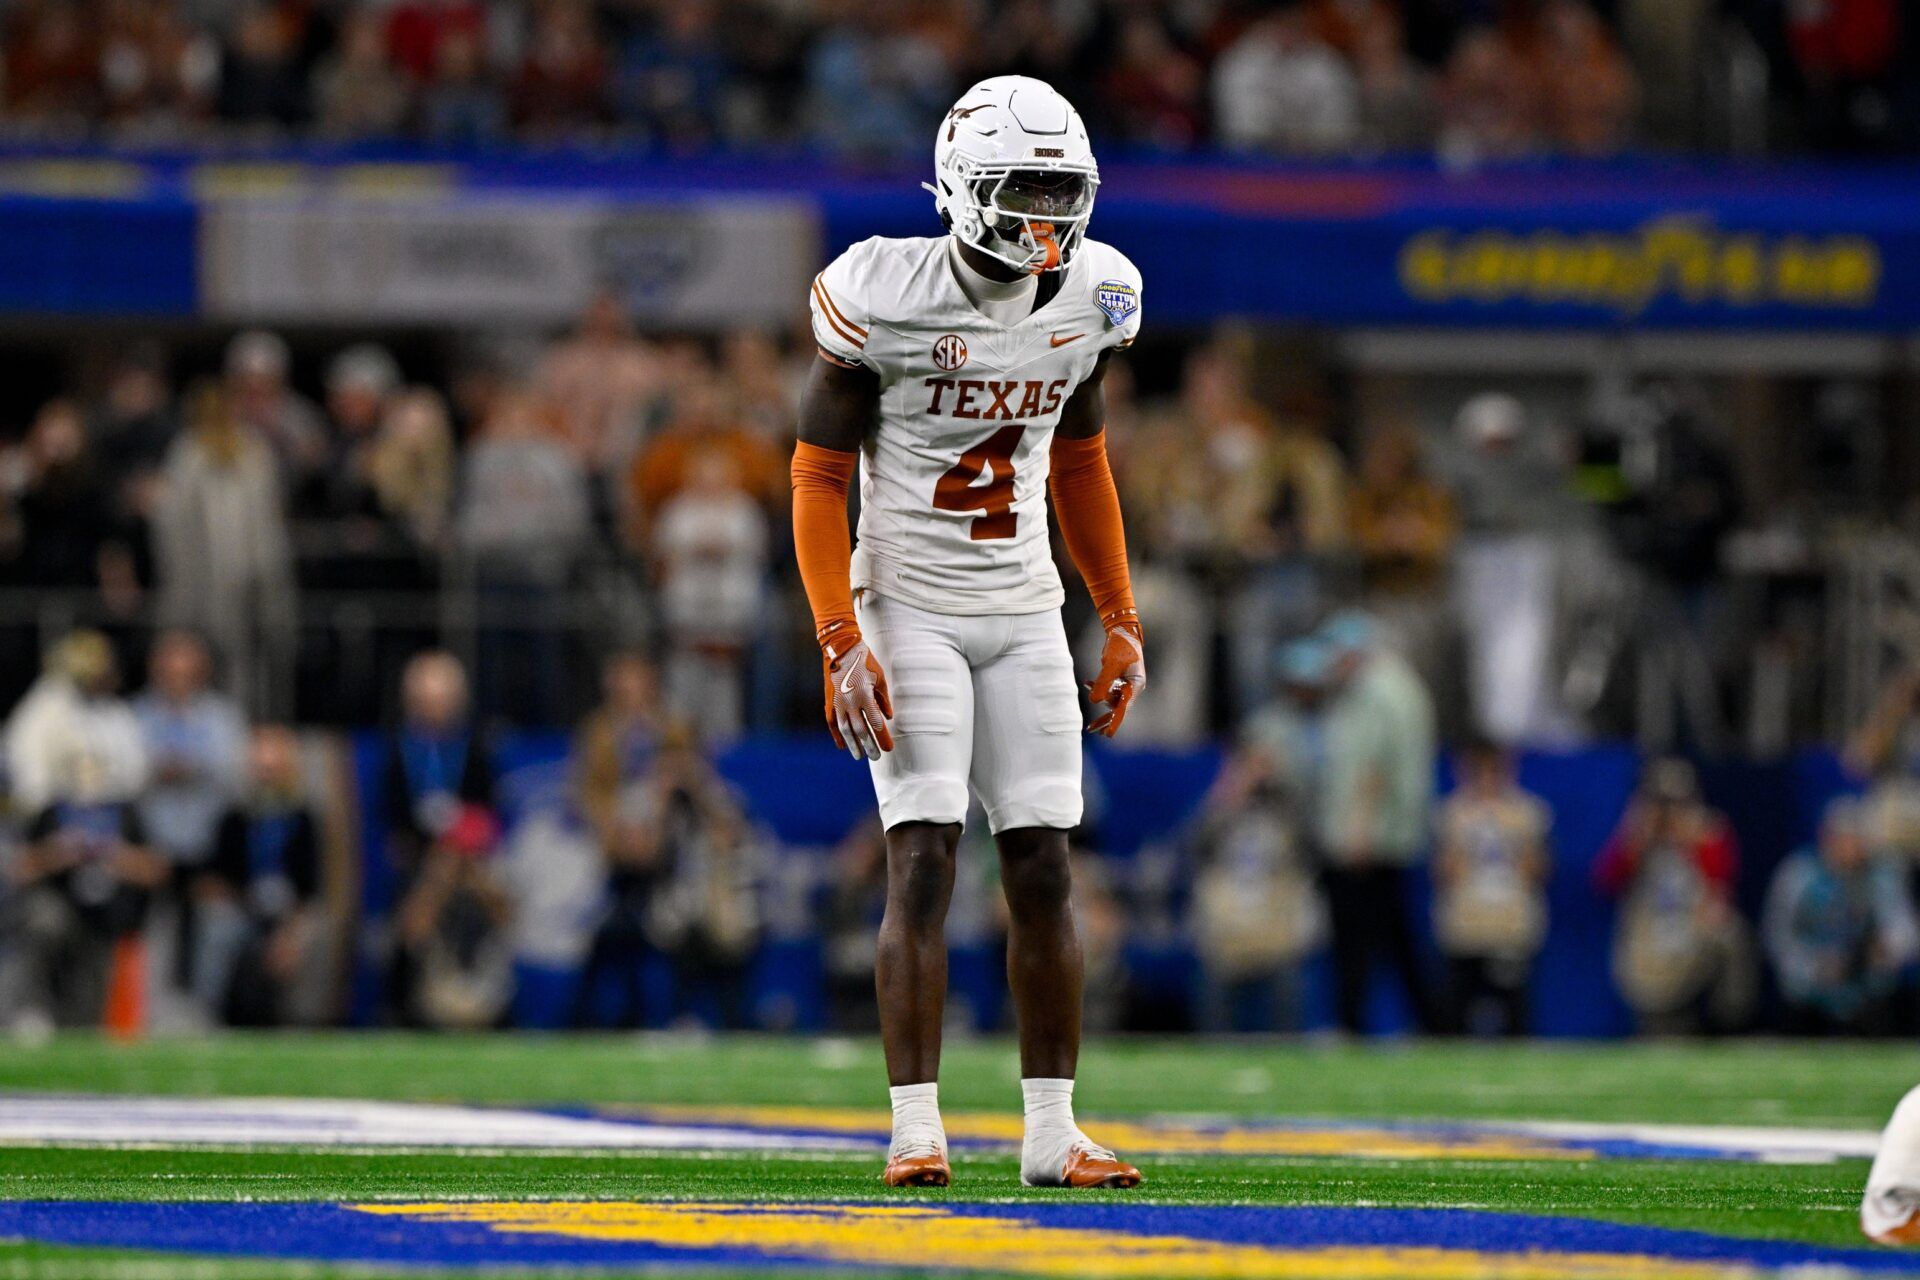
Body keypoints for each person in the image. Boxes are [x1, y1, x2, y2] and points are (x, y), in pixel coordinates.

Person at [789, 76, 1144, 1190]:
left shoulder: (1094, 291)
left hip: (1026, 604)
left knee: (1041, 861)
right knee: (926, 852)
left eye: (1059, 192)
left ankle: (1049, 1131)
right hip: (911, 603)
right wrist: (841, 636)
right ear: (959, 187)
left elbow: (1081, 458)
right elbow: (815, 472)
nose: (1046, 219)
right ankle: (915, 1125)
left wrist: (1120, 617)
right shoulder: (884, 287)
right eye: (1021, 190)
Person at [1245, 617, 1440, 1034]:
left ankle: (1365, 1023)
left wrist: (1358, 830)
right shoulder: (1399, 688)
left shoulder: (1376, 694)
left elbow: (1372, 770)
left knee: (1361, 940)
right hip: (1385, 836)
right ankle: (1426, 1022)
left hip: (1368, 839)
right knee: (1392, 938)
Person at [1595, 758, 1755, 1034]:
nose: (1670, 811)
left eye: (1678, 802)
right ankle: (1658, 1028)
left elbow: (1722, 884)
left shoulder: (1708, 830)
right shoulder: (1637, 833)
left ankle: (1731, 1024)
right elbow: (1606, 881)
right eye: (1663, 802)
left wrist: (1692, 840)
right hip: (1650, 930)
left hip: (1692, 925)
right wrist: (1640, 840)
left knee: (1729, 931)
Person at [196, 725, 332, 1026]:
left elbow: (312, 890)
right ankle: (209, 1020)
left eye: (273, 767)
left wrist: (289, 936)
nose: (266, 774)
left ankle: (304, 1022)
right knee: (218, 927)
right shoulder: (234, 817)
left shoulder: (303, 819)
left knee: (315, 935)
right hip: (244, 911)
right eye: (260, 768)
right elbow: (214, 880)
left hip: (292, 914)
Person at [1763, 798, 1917, 1035]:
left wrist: (1886, 948)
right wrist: (1814, 967)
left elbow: (1904, 928)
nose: (1850, 847)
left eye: (1857, 839)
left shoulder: (1882, 875)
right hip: (1811, 989)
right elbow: (1778, 936)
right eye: (1843, 838)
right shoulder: (1799, 874)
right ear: (1826, 838)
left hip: (1868, 988)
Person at [1433, 739, 1552, 1035]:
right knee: (1458, 1015)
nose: (1487, 779)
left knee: (1514, 1015)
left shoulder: (1527, 812)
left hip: (1509, 927)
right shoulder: (1452, 813)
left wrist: (1510, 837)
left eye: (1494, 770)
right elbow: (1444, 873)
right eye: (1479, 770)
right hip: (1466, 928)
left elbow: (1538, 871)